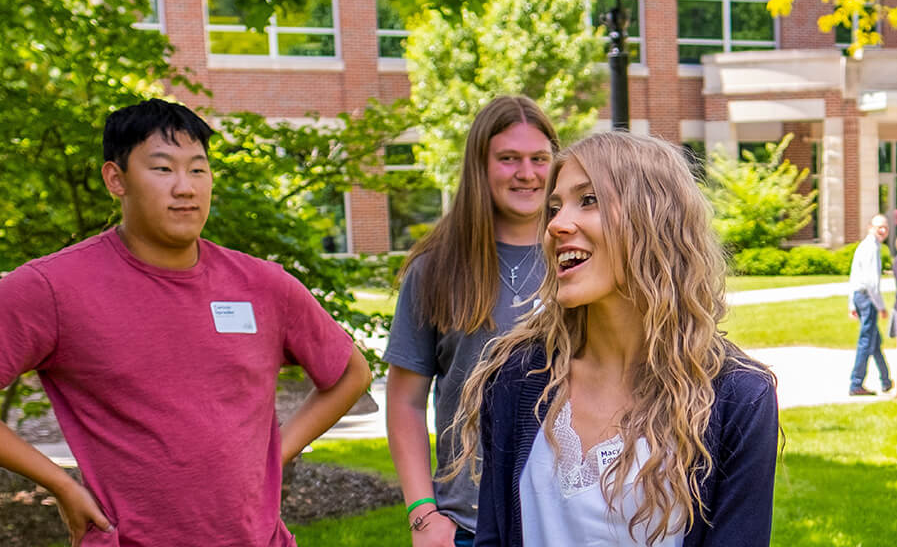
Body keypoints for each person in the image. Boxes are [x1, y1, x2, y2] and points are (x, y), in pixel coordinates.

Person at [0, 99, 372, 547]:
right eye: (162, 169)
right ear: (115, 179)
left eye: (198, 170)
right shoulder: (51, 288)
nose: (186, 188)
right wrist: (60, 483)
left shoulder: (263, 284)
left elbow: (352, 373)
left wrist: (275, 451)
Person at [452, 131, 779, 547]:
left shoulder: (736, 397)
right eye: (554, 207)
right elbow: (493, 539)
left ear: (654, 220)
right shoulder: (517, 376)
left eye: (588, 200)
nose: (555, 224)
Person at [384, 95, 559, 547]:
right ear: (479, 166)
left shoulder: (581, 255)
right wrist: (423, 513)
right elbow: (405, 402)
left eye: (540, 158)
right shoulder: (437, 267)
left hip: (571, 514)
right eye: (508, 159)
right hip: (469, 523)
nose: (527, 173)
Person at [847, 214, 893, 396]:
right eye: (879, 226)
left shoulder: (865, 246)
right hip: (867, 299)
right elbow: (871, 283)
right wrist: (880, 306)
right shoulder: (871, 248)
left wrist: (852, 303)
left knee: (874, 341)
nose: (882, 230)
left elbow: (853, 275)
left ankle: (886, 380)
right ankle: (856, 384)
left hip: (860, 297)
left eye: (885, 227)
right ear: (870, 227)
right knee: (866, 341)